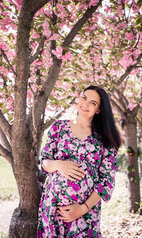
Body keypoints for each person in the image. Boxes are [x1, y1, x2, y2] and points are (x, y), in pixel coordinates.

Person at [37, 85, 121, 238]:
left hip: (85, 214)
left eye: (93, 103)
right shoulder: (59, 128)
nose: (86, 104)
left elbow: (107, 182)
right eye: (84, 97)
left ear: (99, 110)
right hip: (52, 208)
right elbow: (44, 162)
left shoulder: (105, 139)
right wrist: (58, 164)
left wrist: (83, 208)